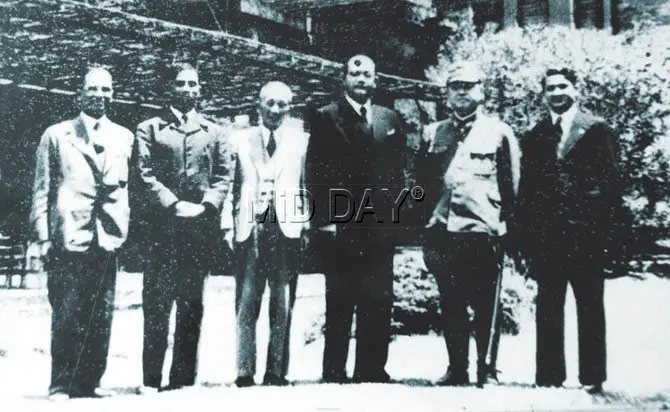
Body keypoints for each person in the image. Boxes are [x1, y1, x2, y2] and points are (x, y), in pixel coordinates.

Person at [516, 68, 627, 394]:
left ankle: (593, 376)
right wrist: (526, 237)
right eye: (550, 88)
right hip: (548, 237)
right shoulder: (536, 134)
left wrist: (610, 238)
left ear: (576, 89)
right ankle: (549, 375)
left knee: (590, 304)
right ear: (543, 94)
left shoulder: (596, 129)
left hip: (587, 236)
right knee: (548, 304)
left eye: (563, 86)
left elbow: (612, 187)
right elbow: (528, 191)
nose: (557, 93)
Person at [413, 61, 521, 387]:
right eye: (455, 85)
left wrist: (506, 229)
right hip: (443, 230)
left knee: (486, 303)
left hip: (482, 230)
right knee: (451, 302)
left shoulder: (500, 132)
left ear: (481, 91)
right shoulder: (433, 133)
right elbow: (421, 184)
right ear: (447, 93)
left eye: (469, 85)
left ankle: (486, 369)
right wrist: (425, 228)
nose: (462, 91)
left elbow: (512, 186)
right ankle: (457, 369)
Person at [30, 67, 134, 399]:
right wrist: (43, 236)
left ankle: (90, 382)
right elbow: (41, 191)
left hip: (106, 236)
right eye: (93, 89)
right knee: (66, 312)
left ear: (113, 94)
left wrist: (122, 227)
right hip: (68, 235)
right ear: (80, 93)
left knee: (101, 313)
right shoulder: (57, 135)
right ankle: (61, 383)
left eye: (106, 89)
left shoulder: (124, 137)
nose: (100, 95)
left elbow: (126, 189)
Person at [305, 54, 408, 384]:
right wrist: (324, 220)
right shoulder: (326, 117)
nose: (361, 78)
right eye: (355, 73)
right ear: (345, 78)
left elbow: (398, 174)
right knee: (340, 295)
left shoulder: (389, 118)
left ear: (376, 80)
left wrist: (396, 217)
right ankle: (334, 370)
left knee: (378, 296)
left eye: (368, 74)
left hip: (379, 225)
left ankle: (372, 368)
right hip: (341, 222)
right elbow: (315, 172)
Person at [135, 62, 235, 393]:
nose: (189, 89)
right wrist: (174, 203)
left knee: (192, 303)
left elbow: (224, 175)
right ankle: (151, 379)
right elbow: (144, 174)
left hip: (199, 230)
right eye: (182, 84)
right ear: (170, 88)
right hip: (162, 230)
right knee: (157, 303)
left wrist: (206, 205)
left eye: (194, 84)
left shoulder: (216, 131)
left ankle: (183, 379)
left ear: (200, 89)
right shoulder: (149, 128)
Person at [227, 81, 309, 388]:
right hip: (250, 228)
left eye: (282, 105)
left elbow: (305, 186)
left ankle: (276, 372)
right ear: (259, 104)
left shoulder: (301, 142)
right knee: (247, 300)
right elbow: (230, 186)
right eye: (270, 103)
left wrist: (304, 224)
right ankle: (244, 372)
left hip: (286, 228)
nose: (275, 110)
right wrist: (228, 223)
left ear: (290, 108)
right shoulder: (240, 140)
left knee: (282, 301)